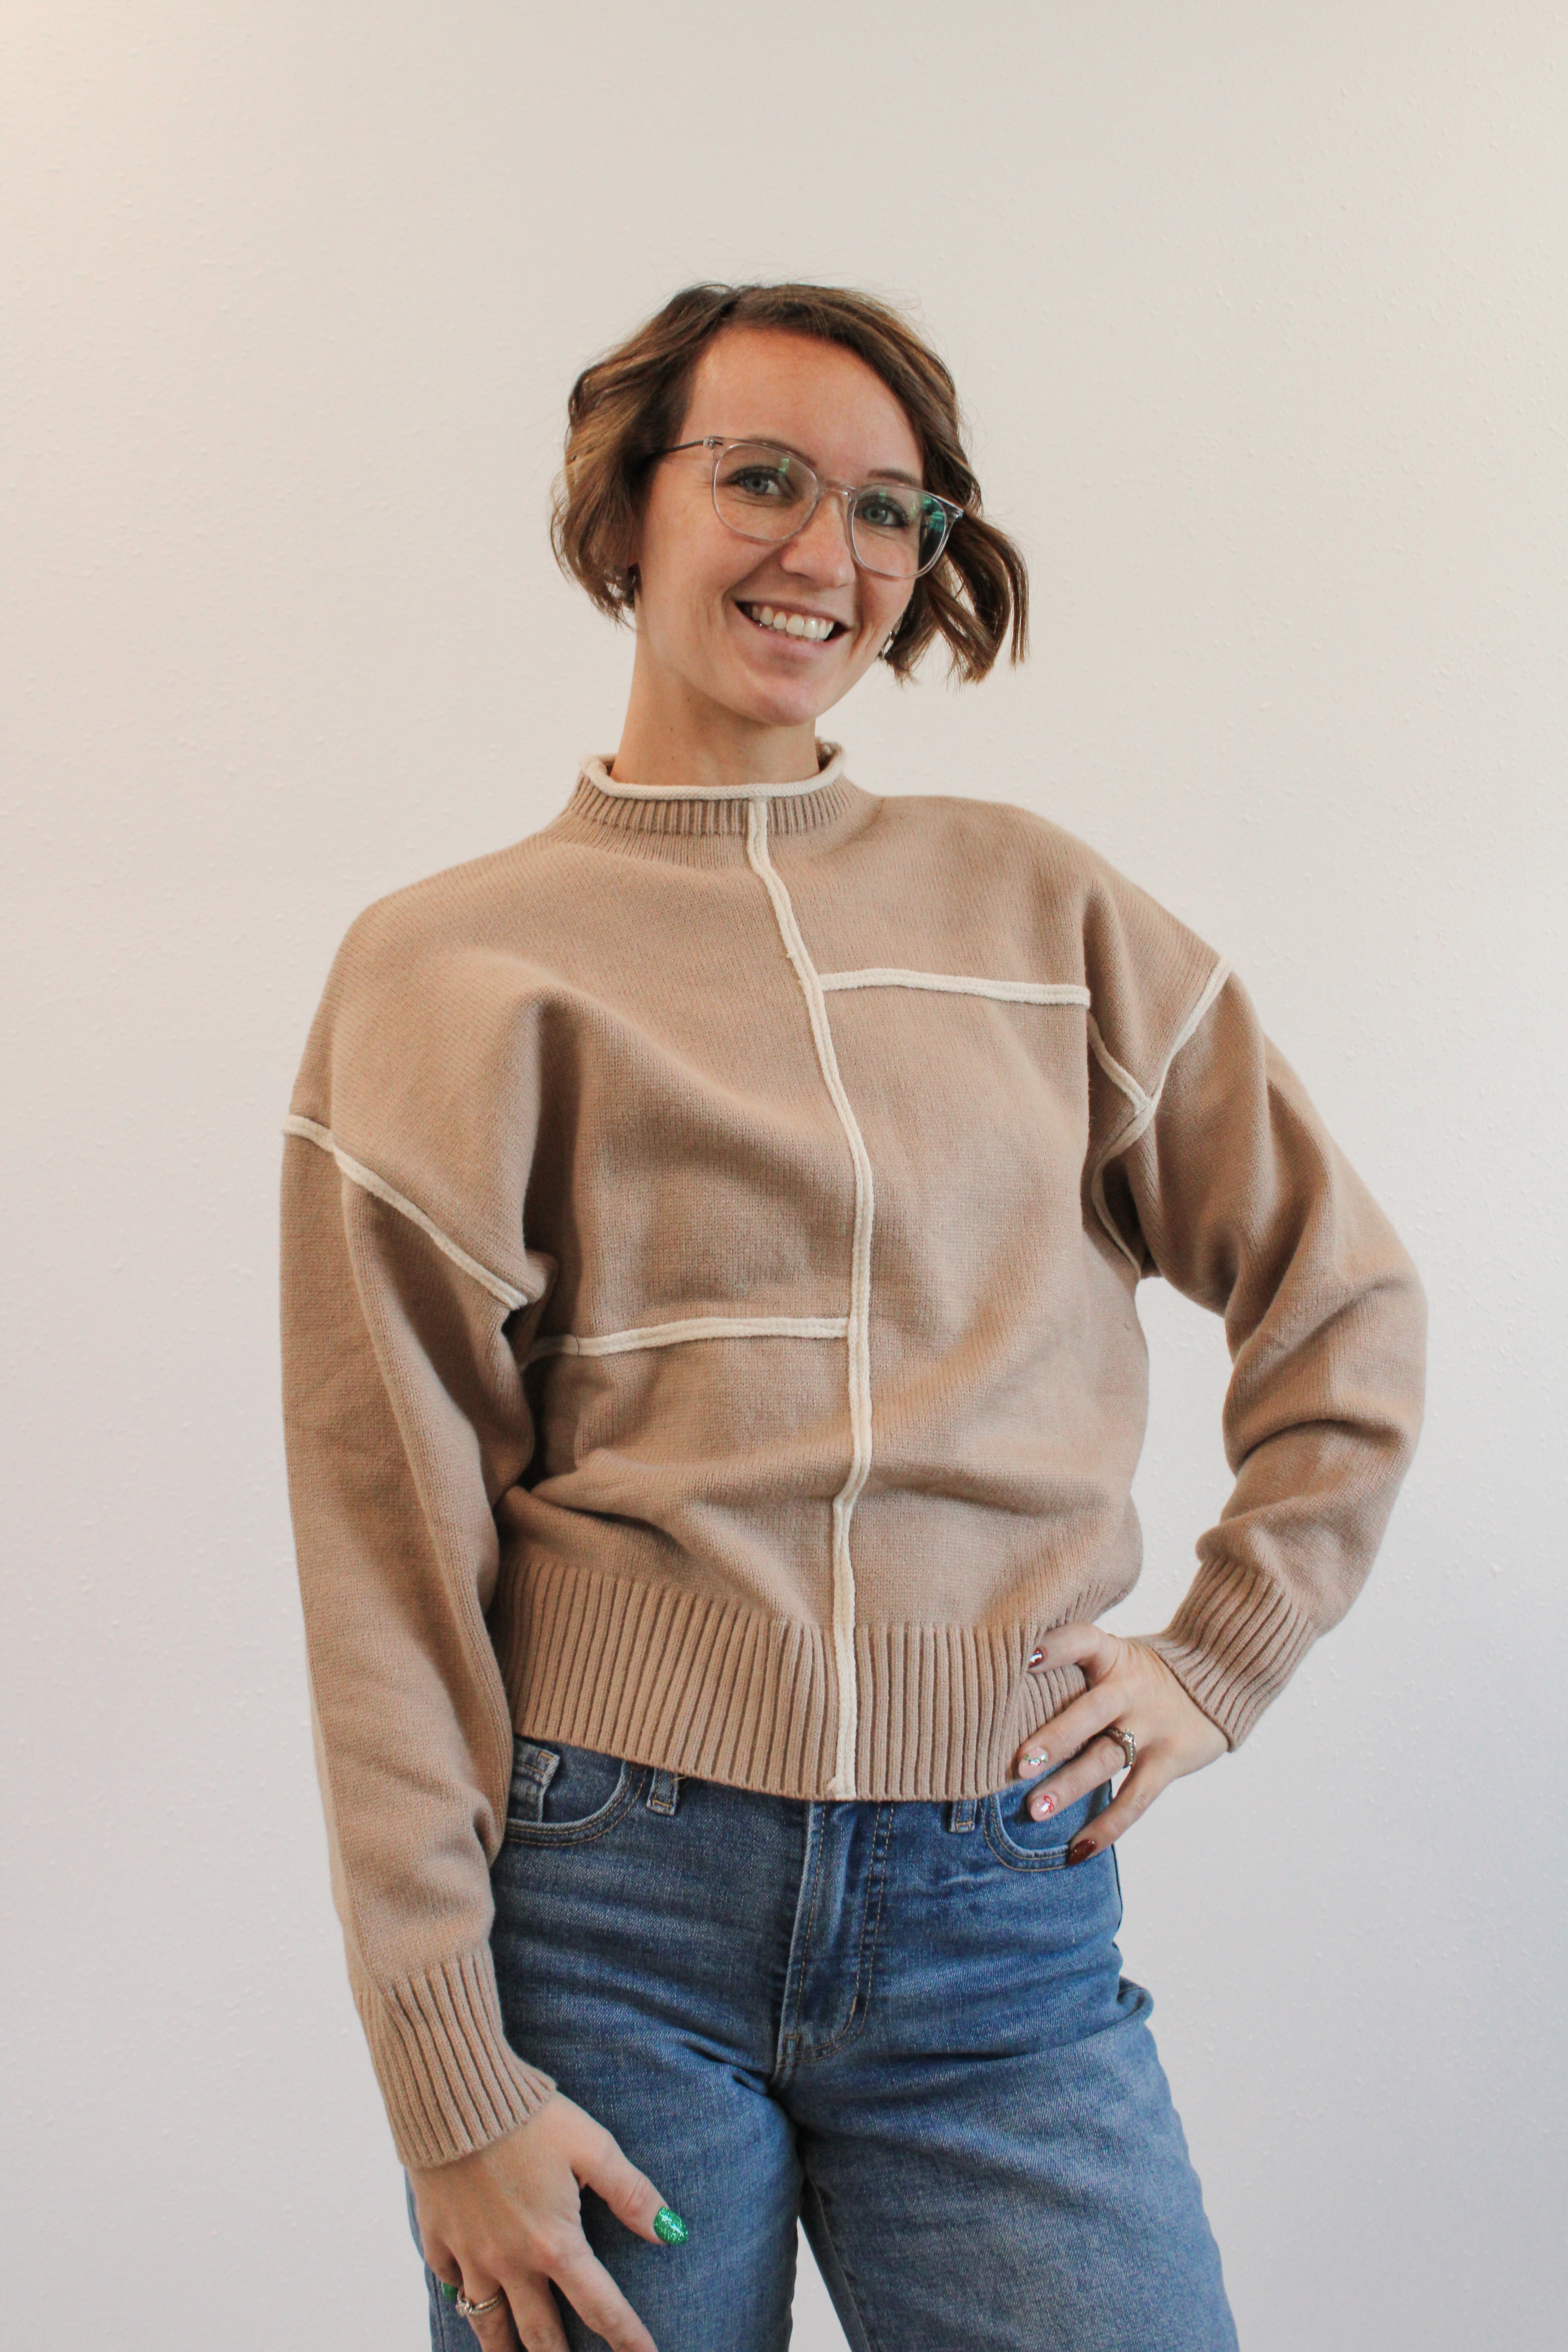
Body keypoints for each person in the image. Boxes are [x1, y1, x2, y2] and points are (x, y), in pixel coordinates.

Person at [279, 281, 1426, 2352]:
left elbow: (1340, 1291)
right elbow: (386, 1557)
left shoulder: (1044, 908)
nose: (828, 551)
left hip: (1001, 1909)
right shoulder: (446, 970)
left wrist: (1223, 1653)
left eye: (890, 510)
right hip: (605, 1913)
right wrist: (447, 2082)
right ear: (625, 506)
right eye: (764, 480)